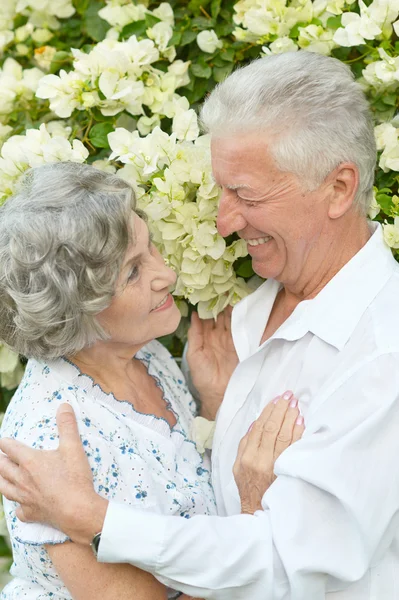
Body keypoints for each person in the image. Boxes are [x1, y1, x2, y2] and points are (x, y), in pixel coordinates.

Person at [1, 49, 398, 599]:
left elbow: (292, 563)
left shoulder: (381, 356)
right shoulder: (238, 314)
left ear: (338, 189)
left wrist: (96, 519)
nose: (223, 221)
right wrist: (220, 410)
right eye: (222, 190)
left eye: (247, 194)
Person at [0, 161, 302, 599]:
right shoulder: (48, 438)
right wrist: (255, 516)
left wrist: (215, 404)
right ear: (75, 309)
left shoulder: (143, 354)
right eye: (133, 272)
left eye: (151, 249)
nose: (167, 275)